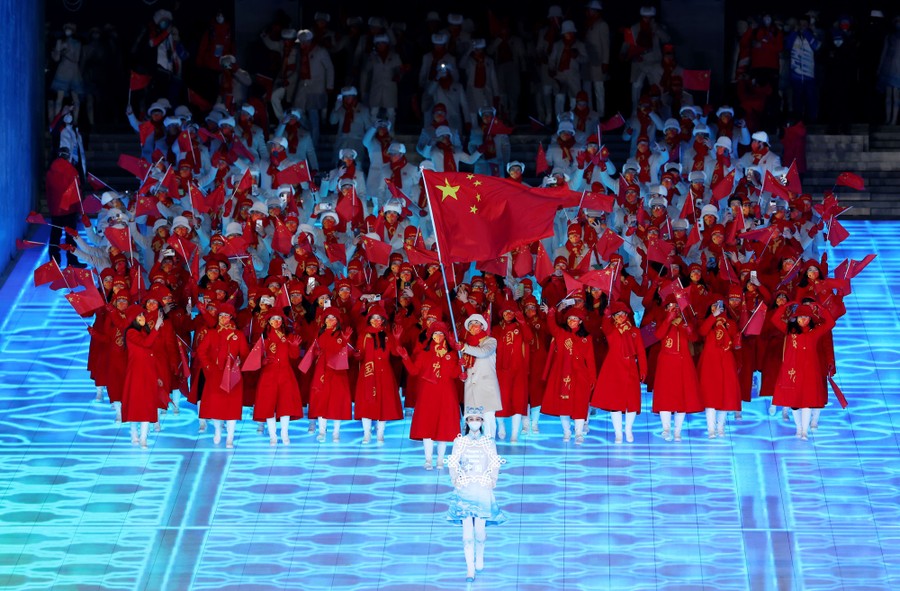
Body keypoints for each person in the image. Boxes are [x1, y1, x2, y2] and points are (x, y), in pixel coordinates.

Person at [446, 406, 507, 583]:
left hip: (482, 489)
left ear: (481, 421)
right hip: (465, 488)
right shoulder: (460, 442)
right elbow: (453, 461)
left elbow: (494, 462)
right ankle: (469, 569)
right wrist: (455, 478)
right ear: (466, 421)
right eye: (471, 419)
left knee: (479, 532)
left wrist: (492, 479)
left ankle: (480, 557)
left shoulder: (488, 441)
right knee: (467, 534)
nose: (474, 422)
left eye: (477, 419)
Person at [397, 321, 462, 469]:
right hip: (428, 394)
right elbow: (414, 371)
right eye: (435, 334)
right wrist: (406, 358)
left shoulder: (452, 354)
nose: (438, 336)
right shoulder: (424, 354)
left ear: (445, 336)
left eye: (441, 334)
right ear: (431, 336)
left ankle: (440, 459)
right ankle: (428, 459)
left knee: (443, 427)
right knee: (427, 425)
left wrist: (460, 363)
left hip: (446, 393)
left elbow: (454, 374)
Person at [771, 302, 835, 440]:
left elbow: (830, 323)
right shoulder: (789, 330)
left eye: (806, 317)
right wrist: (786, 305)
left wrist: (821, 308)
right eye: (800, 317)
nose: (803, 320)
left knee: (807, 402)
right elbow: (775, 319)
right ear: (796, 318)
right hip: (792, 371)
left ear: (811, 319)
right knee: (794, 402)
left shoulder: (815, 332)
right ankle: (799, 428)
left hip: (810, 372)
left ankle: (804, 431)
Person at [590, 301, 647, 443]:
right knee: (615, 402)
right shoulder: (611, 329)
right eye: (618, 314)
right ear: (614, 317)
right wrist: (606, 315)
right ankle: (618, 433)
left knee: (632, 401)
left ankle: (628, 430)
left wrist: (643, 368)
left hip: (631, 368)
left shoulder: (634, 331)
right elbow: (604, 326)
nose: (621, 317)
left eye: (624, 314)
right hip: (614, 368)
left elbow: (640, 351)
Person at [540, 305, 596, 444]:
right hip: (562, 373)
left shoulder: (586, 338)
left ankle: (578, 433)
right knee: (563, 404)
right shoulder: (561, 333)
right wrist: (551, 313)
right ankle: (566, 431)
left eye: (575, 319)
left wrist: (592, 377)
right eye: (569, 318)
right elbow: (552, 326)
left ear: (580, 321)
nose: (572, 321)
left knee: (580, 403)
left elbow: (590, 359)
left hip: (580, 374)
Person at [253, 311, 304, 446]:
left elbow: (294, 357)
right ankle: (273, 435)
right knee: (269, 405)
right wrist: (262, 361)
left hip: (286, 374)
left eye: (279, 318)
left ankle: (284, 434)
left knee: (286, 404)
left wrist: (294, 347)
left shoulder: (289, 336)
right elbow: (255, 358)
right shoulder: (263, 338)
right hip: (268, 375)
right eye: (273, 318)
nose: (276, 321)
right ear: (268, 321)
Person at [120, 305, 162, 449]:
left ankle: (144, 437)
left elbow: (152, 354)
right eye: (139, 317)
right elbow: (146, 344)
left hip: (148, 374)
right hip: (136, 374)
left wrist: (157, 375)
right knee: (136, 405)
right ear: (133, 319)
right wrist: (156, 328)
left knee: (147, 405)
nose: (143, 319)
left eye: (143, 316)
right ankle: (134, 433)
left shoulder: (145, 332)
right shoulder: (131, 333)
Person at [460, 314, 502, 438]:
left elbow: (483, 352)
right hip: (471, 388)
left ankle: (490, 447)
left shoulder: (490, 341)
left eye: (476, 323)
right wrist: (461, 372)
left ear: (482, 326)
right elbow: (466, 366)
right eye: (471, 324)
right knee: (472, 422)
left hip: (486, 387)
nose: (474, 326)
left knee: (488, 420)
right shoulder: (465, 345)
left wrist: (464, 348)